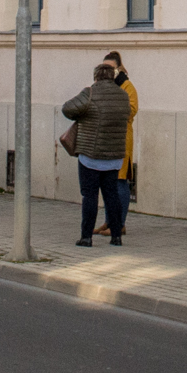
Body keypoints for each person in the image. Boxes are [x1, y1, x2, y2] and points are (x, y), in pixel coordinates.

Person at [64, 61, 134, 247]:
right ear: (112, 77)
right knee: (112, 196)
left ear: (96, 77)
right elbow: (127, 115)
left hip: (91, 156)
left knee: (90, 196)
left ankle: (86, 237)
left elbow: (67, 108)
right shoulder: (123, 95)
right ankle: (116, 236)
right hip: (114, 156)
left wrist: (83, 115)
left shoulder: (90, 93)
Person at [99, 51, 140, 235]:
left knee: (120, 181)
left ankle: (119, 224)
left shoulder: (127, 86)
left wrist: (111, 109)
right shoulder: (102, 86)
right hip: (106, 138)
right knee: (107, 182)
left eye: (110, 68)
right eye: (104, 68)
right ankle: (109, 221)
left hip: (121, 139)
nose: (107, 72)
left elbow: (131, 110)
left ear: (119, 68)